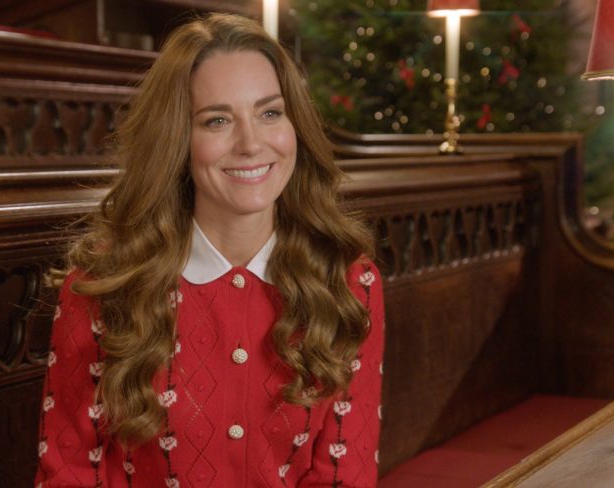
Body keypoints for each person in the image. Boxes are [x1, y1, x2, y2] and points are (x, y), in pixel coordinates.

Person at [35, 13, 384, 488]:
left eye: (269, 113)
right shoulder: (104, 282)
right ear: (178, 139)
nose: (251, 143)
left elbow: (346, 476)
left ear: (294, 124)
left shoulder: (348, 283)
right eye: (217, 120)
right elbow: (71, 474)